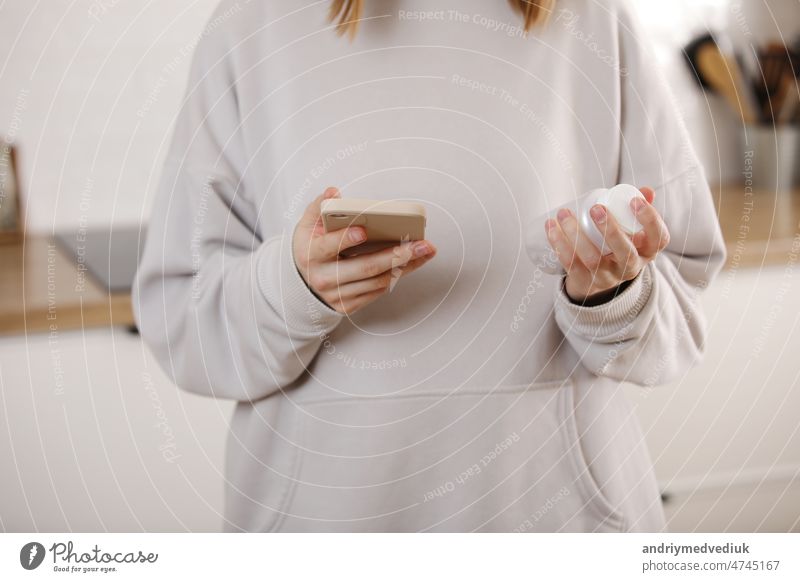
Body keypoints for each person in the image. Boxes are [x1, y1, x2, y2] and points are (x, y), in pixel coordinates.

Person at [133, 0, 727, 532]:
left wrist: (611, 298)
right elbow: (181, 315)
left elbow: (683, 286)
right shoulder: (248, 25)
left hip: (558, 519)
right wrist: (289, 288)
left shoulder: (597, 20)